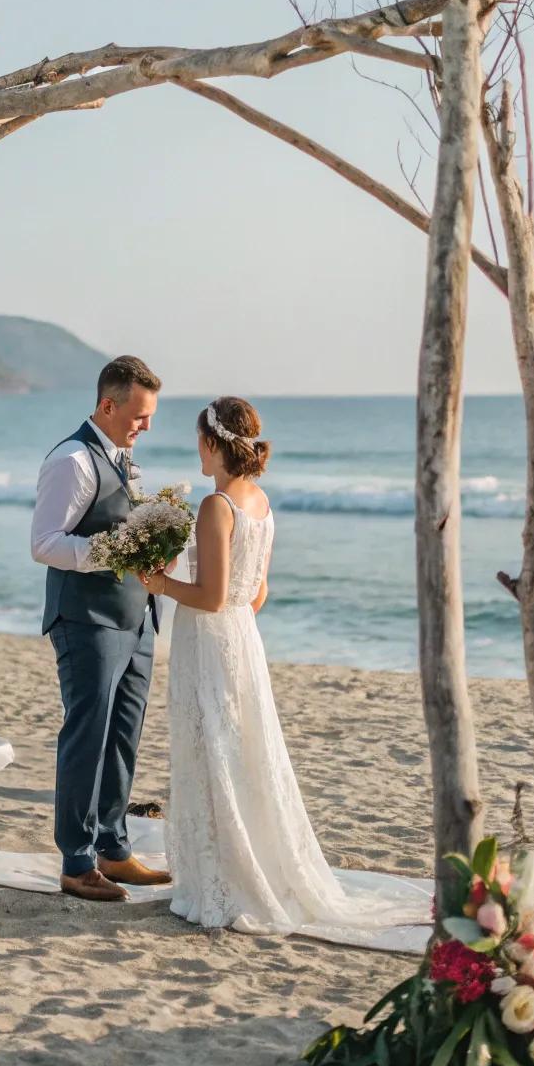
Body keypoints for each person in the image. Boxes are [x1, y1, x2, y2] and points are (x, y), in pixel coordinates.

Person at [141, 396, 427, 938]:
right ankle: (245, 864)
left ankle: (221, 880)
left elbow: (211, 594)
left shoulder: (216, 506)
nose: (196, 450)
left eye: (198, 440)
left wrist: (159, 585)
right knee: (241, 748)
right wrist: (229, 622)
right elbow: (257, 592)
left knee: (214, 749)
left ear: (213, 443)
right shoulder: (260, 503)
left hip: (208, 640)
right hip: (242, 640)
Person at [31, 355, 173, 902]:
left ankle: (114, 849)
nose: (146, 426)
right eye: (139, 416)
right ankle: (76, 861)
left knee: (123, 738)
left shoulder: (121, 457)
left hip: (137, 619)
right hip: (86, 620)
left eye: (150, 416)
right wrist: (115, 550)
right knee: (87, 737)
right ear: (106, 406)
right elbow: (44, 543)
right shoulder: (71, 459)